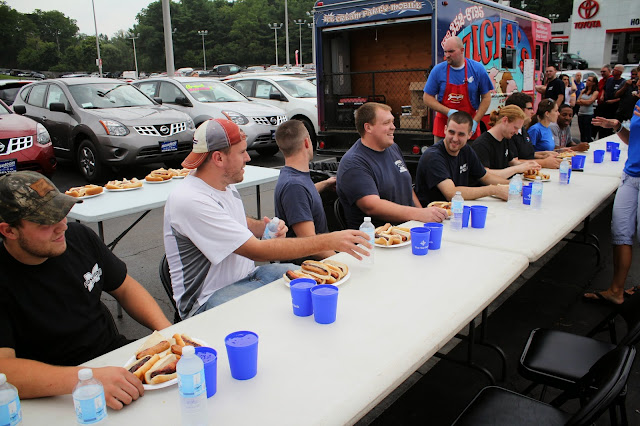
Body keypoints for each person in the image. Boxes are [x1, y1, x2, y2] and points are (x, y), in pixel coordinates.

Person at [164, 119, 370, 319]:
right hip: (206, 301)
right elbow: (257, 251)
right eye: (242, 152)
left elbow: (233, 221)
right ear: (218, 158)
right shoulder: (190, 200)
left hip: (248, 276)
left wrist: (263, 228)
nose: (248, 158)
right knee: (289, 316)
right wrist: (329, 240)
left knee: (323, 286)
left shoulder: (223, 181)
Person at [0, 171, 172, 409]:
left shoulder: (78, 237)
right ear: (9, 231)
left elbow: (125, 288)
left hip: (116, 360)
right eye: (45, 221)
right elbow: (4, 369)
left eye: (61, 213)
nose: (61, 226)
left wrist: (169, 333)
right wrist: (87, 379)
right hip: (56, 394)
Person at [336, 102, 448, 229]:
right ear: (368, 128)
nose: (393, 127)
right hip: (379, 241)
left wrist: (424, 217)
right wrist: (419, 214)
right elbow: (372, 206)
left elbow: (407, 188)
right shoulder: (354, 163)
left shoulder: (392, 147)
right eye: (386, 123)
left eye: (392, 122)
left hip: (408, 230)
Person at [584, 103, 640, 304]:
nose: (638, 84)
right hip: (631, 175)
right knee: (620, 232)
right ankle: (616, 291)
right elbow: (634, 141)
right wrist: (617, 127)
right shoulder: (638, 104)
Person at [415, 111, 509, 206]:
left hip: (455, 210)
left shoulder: (465, 149)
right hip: (431, 215)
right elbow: (451, 193)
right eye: (451, 132)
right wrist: (493, 190)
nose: (455, 139)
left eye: (461, 134)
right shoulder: (433, 156)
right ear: (445, 130)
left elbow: (485, 176)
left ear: (470, 135)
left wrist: (513, 185)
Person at [273, 119, 335, 260]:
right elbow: (309, 244)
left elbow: (306, 196)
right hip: (310, 269)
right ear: (307, 143)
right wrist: (343, 261)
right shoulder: (294, 187)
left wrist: (325, 183)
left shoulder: (294, 176)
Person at [423, 36, 494, 142]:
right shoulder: (438, 71)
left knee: (468, 158)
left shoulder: (477, 69)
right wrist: (448, 112)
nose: (447, 55)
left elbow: (486, 97)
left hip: (468, 127)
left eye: (451, 51)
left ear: (462, 50)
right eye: (445, 52)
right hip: (443, 128)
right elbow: (427, 98)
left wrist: (475, 121)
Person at [471, 105, 540, 180]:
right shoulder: (481, 144)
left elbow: (511, 161)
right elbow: (485, 174)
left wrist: (528, 165)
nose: (516, 133)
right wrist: (517, 168)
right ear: (505, 120)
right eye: (515, 128)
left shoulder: (506, 138)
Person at [504, 92, 561, 169]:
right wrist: (544, 162)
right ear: (518, 110)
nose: (533, 112)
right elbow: (513, 162)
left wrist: (545, 154)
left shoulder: (523, 130)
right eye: (530, 108)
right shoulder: (509, 134)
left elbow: (527, 154)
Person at [599, 64, 626, 138]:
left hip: (615, 107)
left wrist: (613, 101)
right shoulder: (609, 80)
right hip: (605, 105)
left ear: (620, 72)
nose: (613, 71)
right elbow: (604, 88)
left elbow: (623, 97)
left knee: (610, 127)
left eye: (615, 70)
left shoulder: (623, 82)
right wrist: (602, 95)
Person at [576, 75, 600, 142]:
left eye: (589, 80)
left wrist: (582, 101)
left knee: (588, 132)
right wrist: (583, 102)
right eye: (587, 80)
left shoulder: (595, 92)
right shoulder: (583, 91)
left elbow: (590, 102)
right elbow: (577, 101)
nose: (587, 82)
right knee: (582, 132)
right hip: (581, 113)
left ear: (593, 83)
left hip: (588, 114)